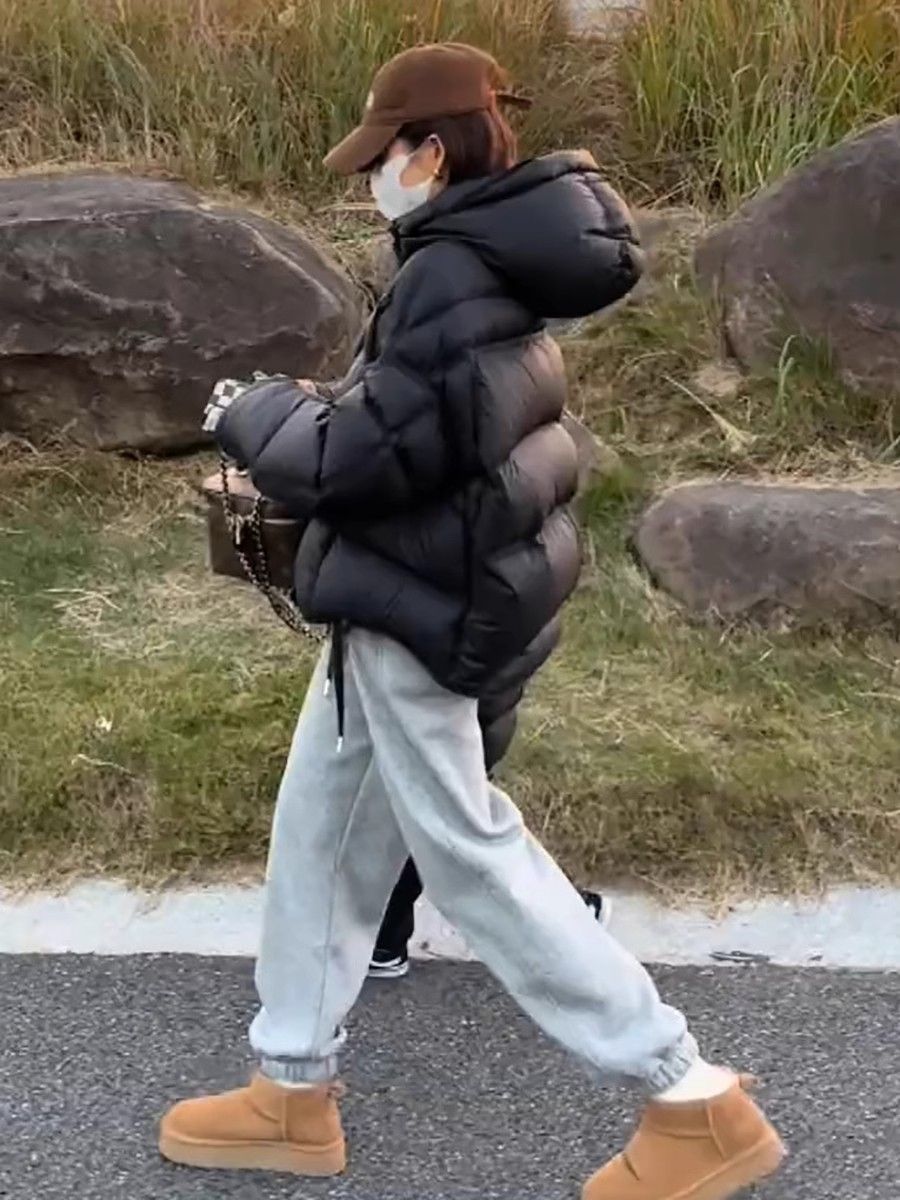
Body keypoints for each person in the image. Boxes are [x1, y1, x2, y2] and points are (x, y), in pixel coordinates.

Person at [159, 43, 785, 1200]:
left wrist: (252, 413)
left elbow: (357, 460)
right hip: (414, 584)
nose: (370, 179)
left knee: (468, 850)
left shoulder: (451, 273)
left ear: (432, 153)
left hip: (419, 601)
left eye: (381, 157)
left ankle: (687, 1094)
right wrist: (316, 409)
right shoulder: (481, 257)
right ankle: (289, 1085)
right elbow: (423, 428)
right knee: (321, 827)